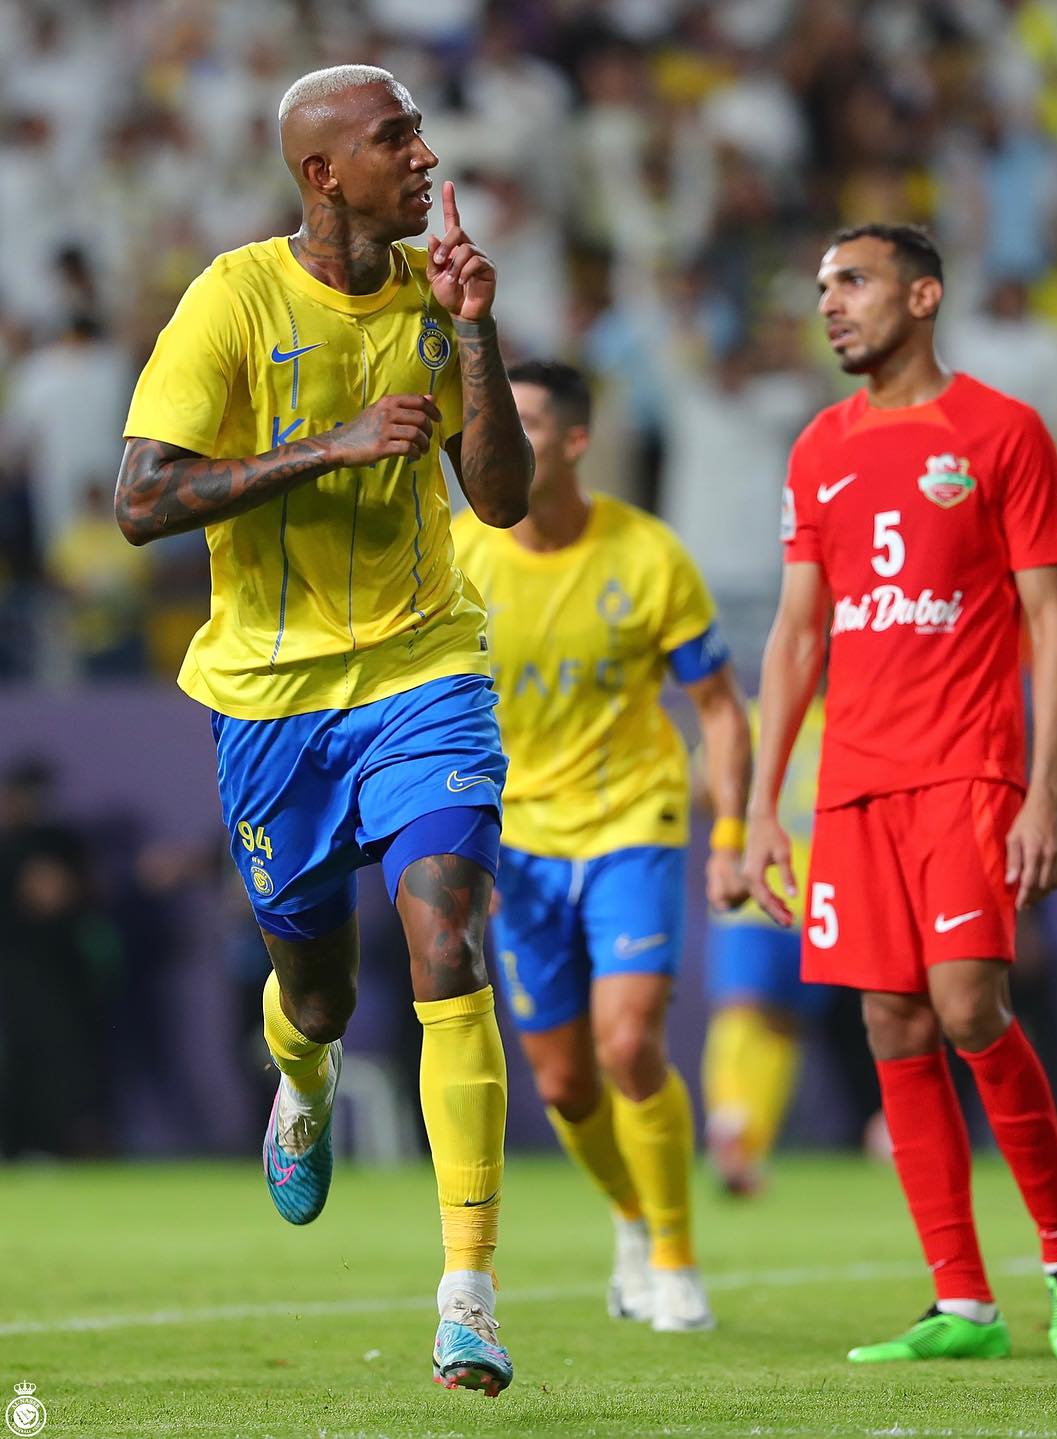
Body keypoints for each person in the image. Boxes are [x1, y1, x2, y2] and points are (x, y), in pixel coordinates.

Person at [113, 65, 533, 1396]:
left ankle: (467, 1290)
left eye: (417, 131)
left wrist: (476, 328)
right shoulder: (232, 299)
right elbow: (141, 499)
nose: (422, 154)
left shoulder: (433, 294)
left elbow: (505, 500)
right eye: (391, 137)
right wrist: (330, 446)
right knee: (322, 985)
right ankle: (301, 1069)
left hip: (424, 665)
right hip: (275, 697)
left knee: (445, 921)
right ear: (321, 173)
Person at [743, 223, 1057, 1365]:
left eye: (851, 281)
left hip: (967, 766)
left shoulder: (1002, 432)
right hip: (854, 780)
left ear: (925, 294)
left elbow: (1049, 625)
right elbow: (800, 629)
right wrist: (762, 801)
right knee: (889, 1020)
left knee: (966, 1007)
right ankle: (962, 1300)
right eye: (821, 285)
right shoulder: (819, 447)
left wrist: (1044, 791)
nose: (830, 303)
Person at [450, 360, 750, 1333]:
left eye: (523, 421)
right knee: (567, 1080)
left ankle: (676, 1255)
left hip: (634, 822)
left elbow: (718, 706)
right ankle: (630, 1221)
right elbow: (431, 715)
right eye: (488, 421)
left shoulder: (647, 554)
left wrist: (733, 832)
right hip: (522, 843)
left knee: (628, 1045)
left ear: (574, 442)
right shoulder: (460, 558)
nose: (495, 438)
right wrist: (466, 841)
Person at [701, 698, 825, 1196]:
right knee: (742, 1008)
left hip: (814, 898)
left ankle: (749, 1147)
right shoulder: (755, 718)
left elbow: (700, 789)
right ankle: (729, 1125)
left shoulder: (841, 721)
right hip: (758, 889)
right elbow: (704, 783)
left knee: (783, 1027)